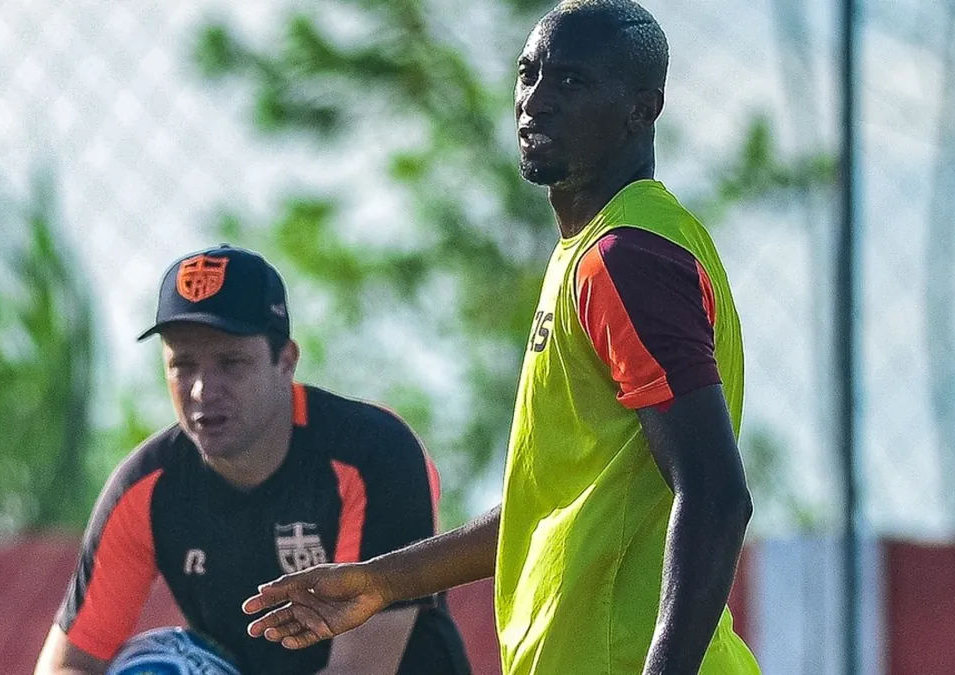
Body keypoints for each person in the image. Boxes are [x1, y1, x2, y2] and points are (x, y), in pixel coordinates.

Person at [241, 1, 760, 673]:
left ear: (642, 108)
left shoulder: (626, 256)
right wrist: (381, 581)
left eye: (571, 81)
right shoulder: (594, 252)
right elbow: (542, 506)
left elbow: (717, 493)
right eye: (529, 73)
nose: (535, 101)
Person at [34, 245, 470, 675]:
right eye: (182, 365)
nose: (203, 390)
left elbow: (358, 672)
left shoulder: (375, 453)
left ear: (286, 361)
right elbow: (70, 663)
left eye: (231, 362)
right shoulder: (146, 487)